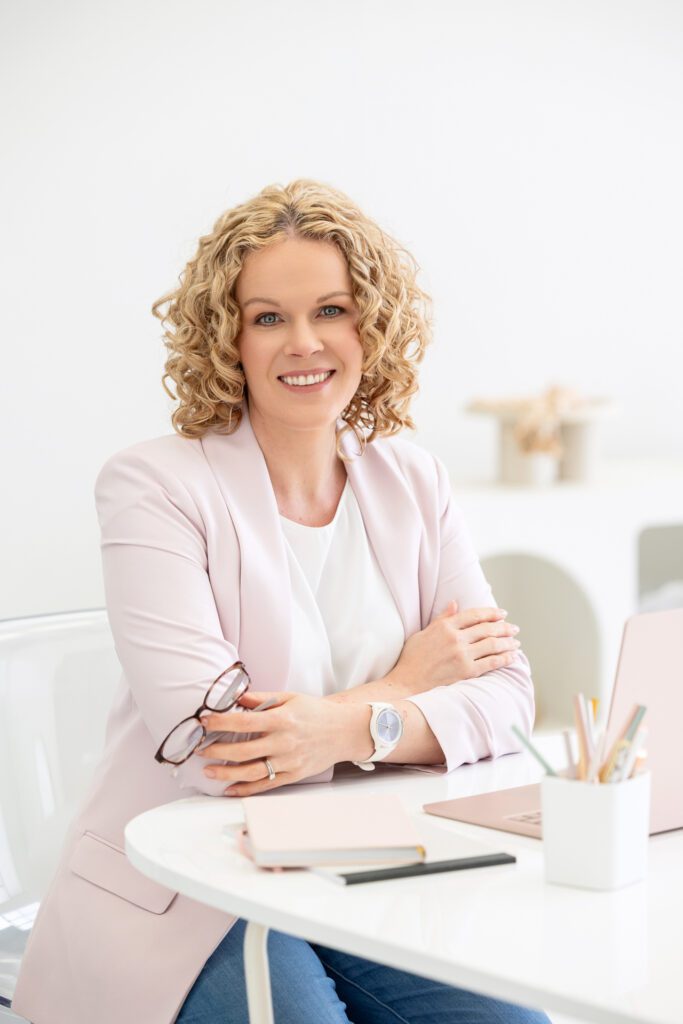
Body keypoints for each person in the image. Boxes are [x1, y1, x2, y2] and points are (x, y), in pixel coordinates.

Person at [11, 179, 550, 1024]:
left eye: (330, 309)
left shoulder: (412, 478)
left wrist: (336, 730)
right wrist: (408, 687)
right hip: (191, 888)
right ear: (226, 337)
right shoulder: (154, 485)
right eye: (267, 317)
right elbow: (208, 746)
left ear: (370, 322)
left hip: (369, 866)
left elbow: (507, 696)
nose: (303, 342)